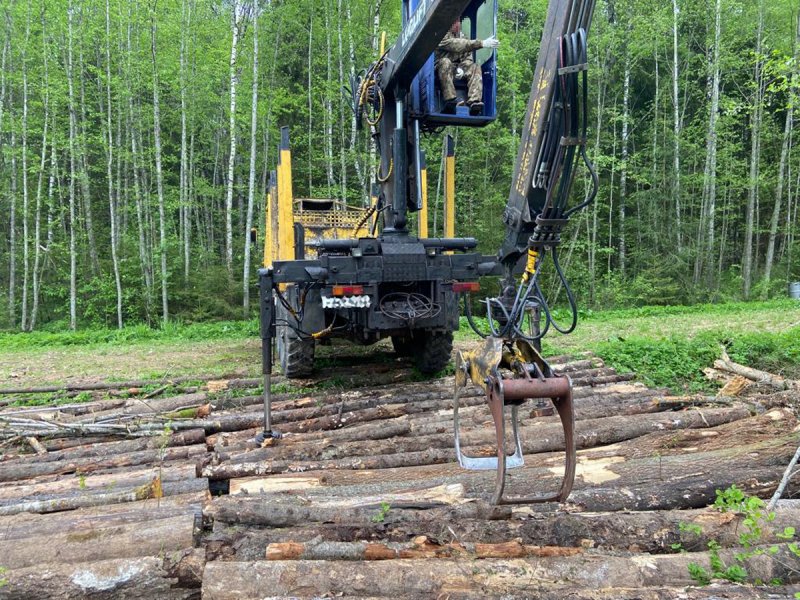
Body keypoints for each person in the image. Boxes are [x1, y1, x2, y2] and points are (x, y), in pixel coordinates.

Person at [435, 21, 499, 116]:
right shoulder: (442, 36)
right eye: (453, 22)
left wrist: (461, 68)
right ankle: (451, 100)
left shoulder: (463, 37)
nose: (457, 24)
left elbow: (467, 58)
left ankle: (474, 101)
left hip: (458, 69)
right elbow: (457, 45)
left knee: (474, 67)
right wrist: (481, 43)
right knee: (445, 62)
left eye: (458, 21)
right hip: (441, 69)